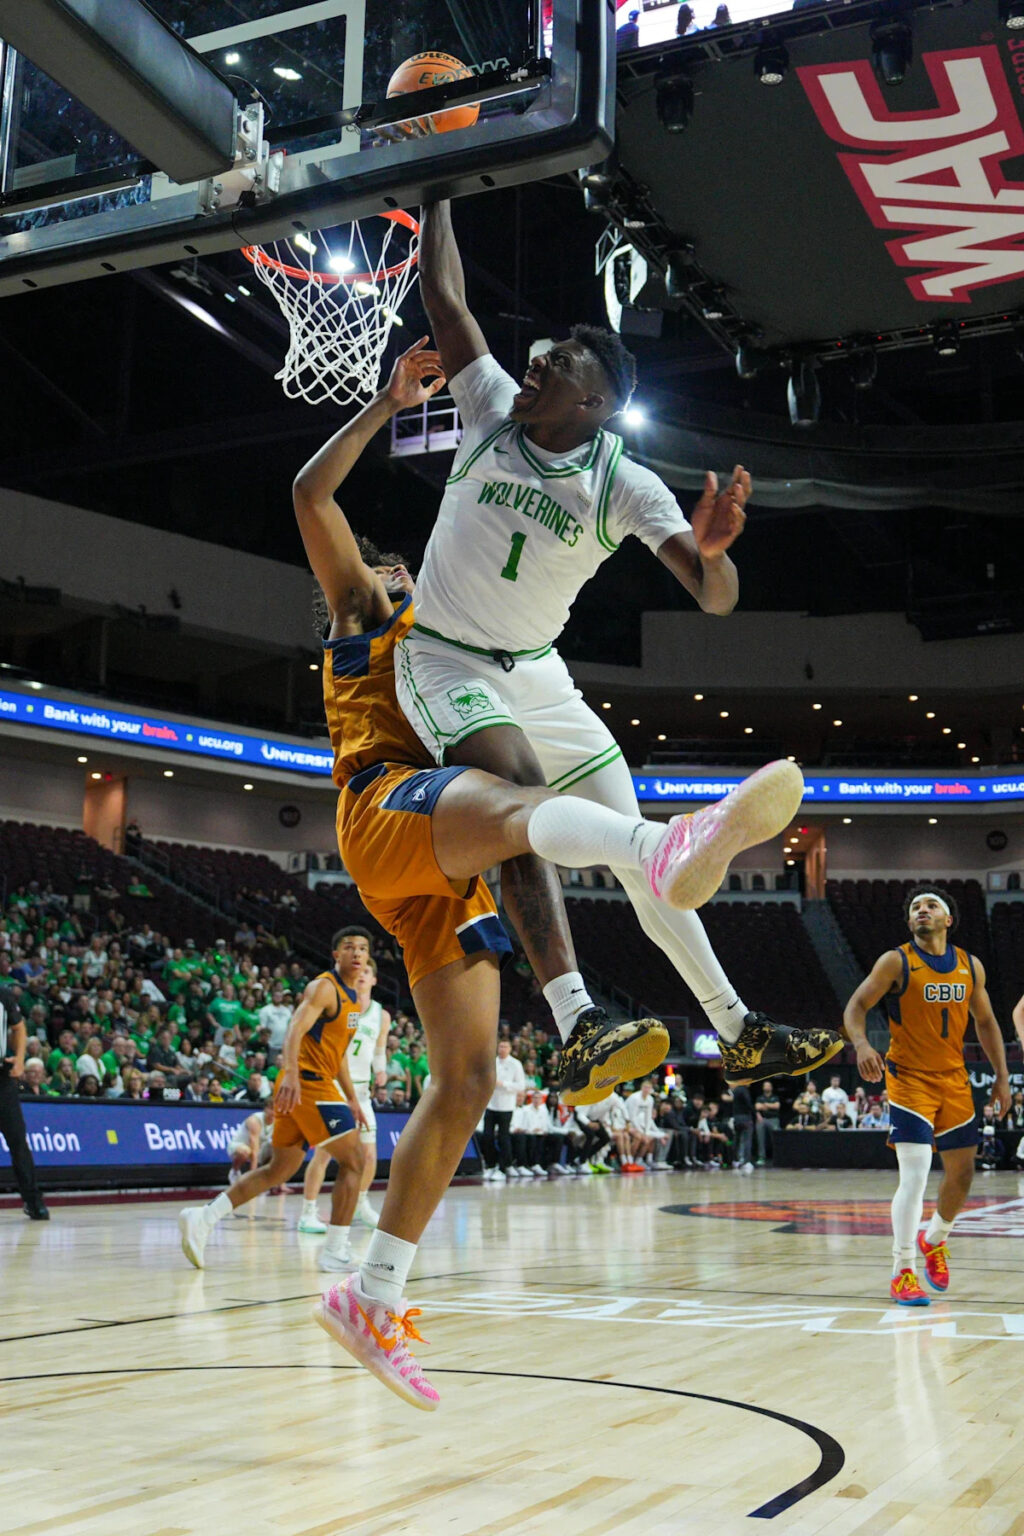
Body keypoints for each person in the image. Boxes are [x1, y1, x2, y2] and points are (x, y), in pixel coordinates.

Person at [291, 342, 806, 1409]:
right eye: (392, 572)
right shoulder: (365, 614)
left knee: (469, 1078)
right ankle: (653, 850)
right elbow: (308, 492)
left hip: (444, 868)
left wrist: (698, 562)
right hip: (388, 812)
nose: (403, 576)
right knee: (523, 814)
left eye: (404, 570)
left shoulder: (471, 643)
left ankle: (371, 1294)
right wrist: (388, 407)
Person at [395, 200, 842, 1096]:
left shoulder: (621, 480)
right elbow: (446, 296)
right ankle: (576, 1017)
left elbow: (714, 599)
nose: (536, 363)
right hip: (443, 658)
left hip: (539, 672)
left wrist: (715, 558)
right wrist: (435, 186)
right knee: (525, 798)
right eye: (542, 355)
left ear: (594, 402)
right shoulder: (487, 400)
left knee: (644, 870)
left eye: (557, 364)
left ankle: (738, 1028)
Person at [844, 887, 1010, 1307]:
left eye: (931, 905)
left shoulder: (970, 966)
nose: (922, 910)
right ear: (910, 921)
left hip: (954, 1078)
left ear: (947, 919)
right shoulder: (895, 961)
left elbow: (987, 1022)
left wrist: (1002, 1077)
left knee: (963, 1174)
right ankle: (902, 1270)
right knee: (915, 1174)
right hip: (908, 1079)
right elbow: (856, 1006)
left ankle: (934, 1237)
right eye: (916, 906)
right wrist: (862, 1045)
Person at [178, 929, 369, 1271]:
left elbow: (337, 1052)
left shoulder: (353, 999)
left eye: (363, 949)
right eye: (349, 947)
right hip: (305, 1082)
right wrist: (292, 1073)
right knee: (356, 1159)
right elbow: (295, 1028)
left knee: (280, 1169)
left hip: (312, 1083)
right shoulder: (324, 987)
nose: (357, 953)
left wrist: (352, 1098)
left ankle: (203, 1218)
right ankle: (335, 1250)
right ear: (335, 954)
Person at [299, 957, 389, 1234]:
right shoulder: (341, 1006)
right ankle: (308, 1212)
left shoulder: (381, 1015)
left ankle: (361, 1204)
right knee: (325, 1154)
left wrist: (381, 1072)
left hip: (362, 1090)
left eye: (367, 972)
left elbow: (378, 1049)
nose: (362, 975)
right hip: (336, 1087)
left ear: (374, 980)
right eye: (359, 971)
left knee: (370, 1156)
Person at [0, 985, 49, 1218]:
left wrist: (20, 1060)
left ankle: (33, 1200)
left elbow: (19, 1028)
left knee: (18, 1140)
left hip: (2, 1078)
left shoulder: (2, 993)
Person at [481, 1038, 526, 1182]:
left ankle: (503, 1167)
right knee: (487, 1136)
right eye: (500, 1046)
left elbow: (520, 1086)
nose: (502, 1049)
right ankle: (490, 1165)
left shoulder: (515, 1064)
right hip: (490, 1104)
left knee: (503, 1137)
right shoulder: (491, 1062)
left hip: (506, 1106)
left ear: (510, 1049)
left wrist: (503, 1084)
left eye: (505, 1046)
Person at [227, 1098, 275, 1180]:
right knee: (246, 1151)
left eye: (276, 1109)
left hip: (259, 1149)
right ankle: (234, 1171)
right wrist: (253, 1178)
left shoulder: (277, 1122)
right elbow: (254, 1149)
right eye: (271, 1109)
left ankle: (267, 1180)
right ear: (265, 1109)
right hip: (238, 1147)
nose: (274, 1112)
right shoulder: (255, 1121)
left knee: (276, 1149)